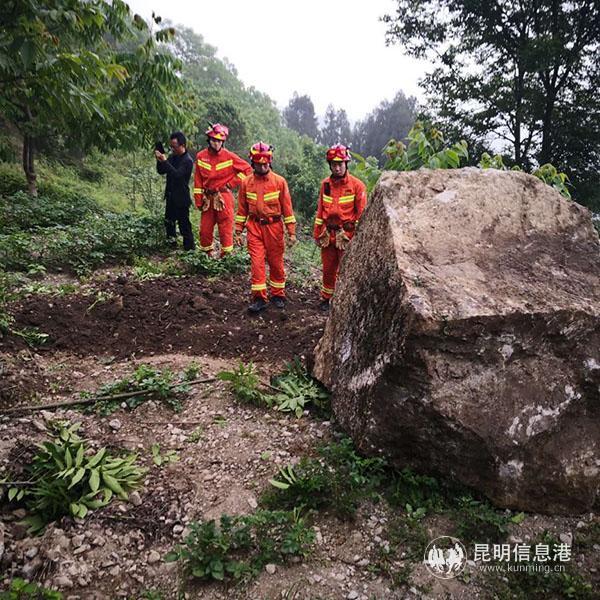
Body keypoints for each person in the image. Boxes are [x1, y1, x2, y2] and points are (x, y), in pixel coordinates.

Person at [235, 142, 297, 313]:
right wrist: (238, 230)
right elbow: (241, 210)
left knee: (276, 262)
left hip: (274, 227)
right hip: (254, 227)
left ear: (270, 162)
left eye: (265, 163)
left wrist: (291, 232)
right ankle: (259, 298)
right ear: (252, 163)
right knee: (256, 263)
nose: (262, 166)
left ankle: (278, 294)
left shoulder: (279, 182)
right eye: (258, 163)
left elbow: (288, 210)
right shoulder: (246, 183)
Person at [313, 144, 367, 311]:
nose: (337, 168)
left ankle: (344, 300)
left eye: (340, 164)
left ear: (346, 164)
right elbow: (320, 210)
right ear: (330, 165)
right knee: (328, 268)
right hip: (328, 234)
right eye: (334, 164)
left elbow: (361, 215)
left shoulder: (357, 186)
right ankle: (326, 298)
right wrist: (317, 233)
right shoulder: (325, 185)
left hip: (346, 235)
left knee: (346, 269)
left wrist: (352, 236)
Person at [193, 123, 252, 256]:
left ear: (223, 142)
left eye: (219, 141)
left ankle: (226, 258)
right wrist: (198, 200)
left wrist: (231, 184)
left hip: (223, 196)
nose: (216, 143)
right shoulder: (201, 156)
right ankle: (206, 255)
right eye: (214, 140)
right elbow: (198, 181)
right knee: (205, 230)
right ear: (209, 140)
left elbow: (247, 170)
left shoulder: (229, 156)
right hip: (207, 198)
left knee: (225, 228)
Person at [155, 131, 195, 251]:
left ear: (182, 145)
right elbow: (162, 171)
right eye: (171, 146)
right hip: (171, 196)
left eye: (174, 146)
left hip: (181, 198)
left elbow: (177, 175)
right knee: (169, 224)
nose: (172, 149)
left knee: (184, 226)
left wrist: (165, 161)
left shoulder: (187, 160)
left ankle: (190, 250)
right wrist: (160, 159)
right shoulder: (173, 157)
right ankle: (171, 248)